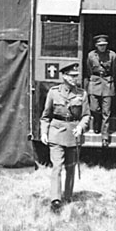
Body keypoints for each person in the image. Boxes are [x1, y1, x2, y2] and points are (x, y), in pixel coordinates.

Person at [40, 63, 91, 213]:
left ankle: (68, 195)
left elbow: (86, 115)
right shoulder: (54, 92)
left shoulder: (82, 94)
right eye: (71, 75)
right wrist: (44, 132)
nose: (75, 78)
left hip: (73, 134)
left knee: (70, 167)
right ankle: (55, 199)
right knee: (57, 167)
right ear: (64, 76)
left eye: (76, 75)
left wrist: (81, 127)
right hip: (56, 133)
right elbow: (45, 116)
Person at [86, 34, 116, 147]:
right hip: (94, 83)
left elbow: (114, 70)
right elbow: (89, 70)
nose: (102, 47)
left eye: (104, 45)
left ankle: (105, 137)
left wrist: (110, 80)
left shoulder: (112, 55)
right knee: (94, 108)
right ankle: (97, 122)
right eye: (100, 45)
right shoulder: (91, 55)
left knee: (106, 112)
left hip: (107, 83)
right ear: (96, 46)